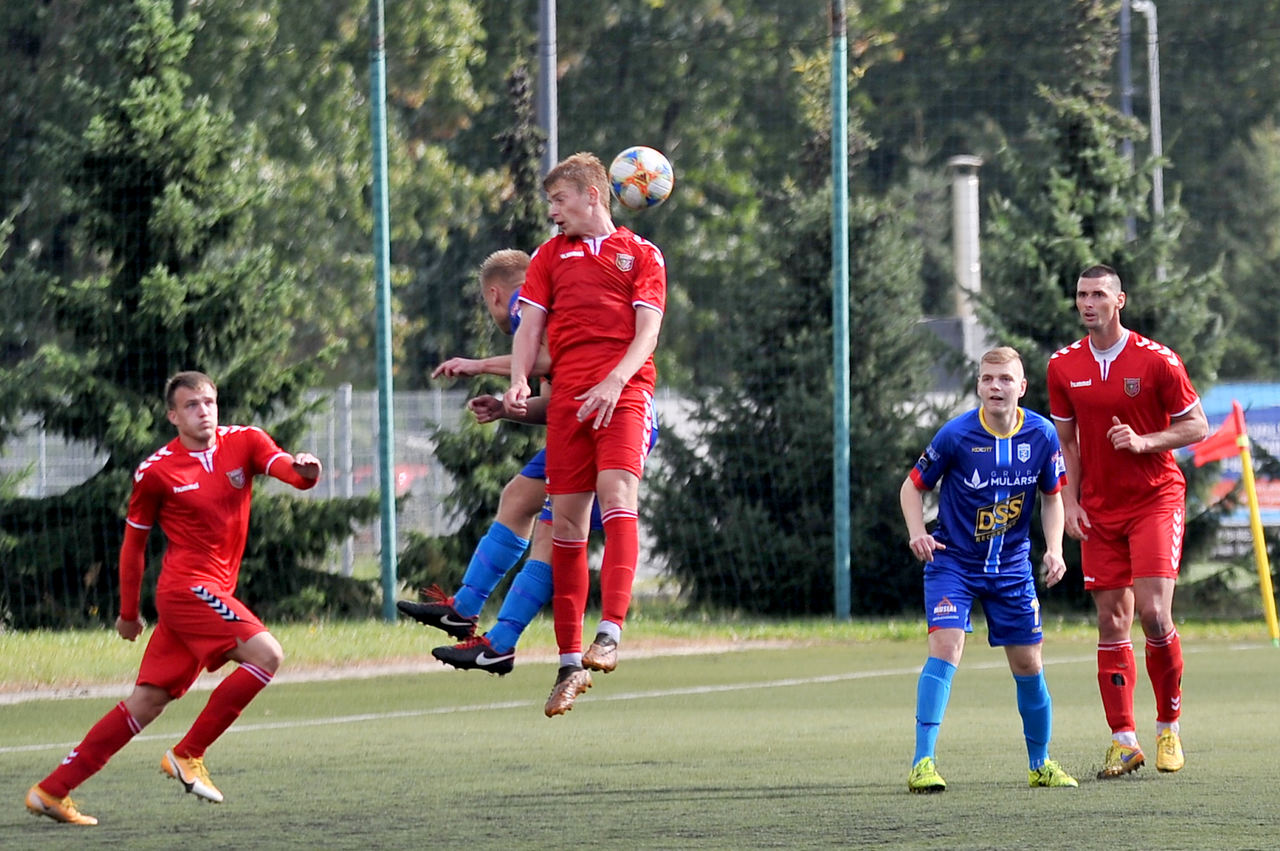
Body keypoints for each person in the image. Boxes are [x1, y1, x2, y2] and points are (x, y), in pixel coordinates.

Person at [24, 371, 321, 825]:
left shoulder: (245, 441)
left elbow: (287, 471)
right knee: (267, 654)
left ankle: (50, 791)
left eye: (209, 402)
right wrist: (127, 613)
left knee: (146, 703)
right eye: (191, 405)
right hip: (186, 590)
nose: (203, 412)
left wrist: (305, 472)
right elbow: (133, 546)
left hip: (208, 594)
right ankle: (188, 754)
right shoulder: (157, 471)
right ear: (173, 416)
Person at [505, 151, 665, 717]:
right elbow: (529, 329)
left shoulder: (641, 254)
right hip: (568, 402)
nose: (553, 211)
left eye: (559, 200)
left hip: (625, 393)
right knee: (567, 524)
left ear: (593, 195)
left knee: (618, 495)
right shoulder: (548, 257)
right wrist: (520, 378)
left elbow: (647, 333)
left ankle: (611, 633)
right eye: (550, 202)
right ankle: (570, 663)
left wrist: (615, 382)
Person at [1047, 264, 1207, 779]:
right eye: (1081, 295)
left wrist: (1144, 442)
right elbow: (1066, 443)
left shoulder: (1157, 360)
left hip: (1155, 500)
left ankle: (1168, 728)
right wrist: (1070, 502)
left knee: (1155, 614)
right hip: (1098, 509)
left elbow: (1197, 426)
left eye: (1098, 294)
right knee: (1112, 621)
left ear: (1120, 301)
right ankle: (1123, 741)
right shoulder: (1062, 366)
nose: (1087, 303)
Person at [900, 347, 1078, 793]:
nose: (995, 386)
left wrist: (1054, 549)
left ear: (1022, 387)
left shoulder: (1042, 434)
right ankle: (922, 763)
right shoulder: (956, 435)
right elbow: (911, 487)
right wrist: (918, 533)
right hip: (954, 562)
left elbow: (1052, 497)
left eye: (1004, 379)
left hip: (1011, 567)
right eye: (987, 379)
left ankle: (1040, 764)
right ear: (979, 385)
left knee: (1029, 662)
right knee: (947, 646)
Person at [396, 249, 556, 674]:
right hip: (581, 425)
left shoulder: (524, 301)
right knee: (518, 499)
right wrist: (504, 409)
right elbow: (554, 401)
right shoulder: (549, 302)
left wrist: (479, 365)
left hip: (605, 429)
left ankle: (500, 644)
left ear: (494, 295)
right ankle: (463, 610)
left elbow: (548, 359)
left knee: (550, 535)